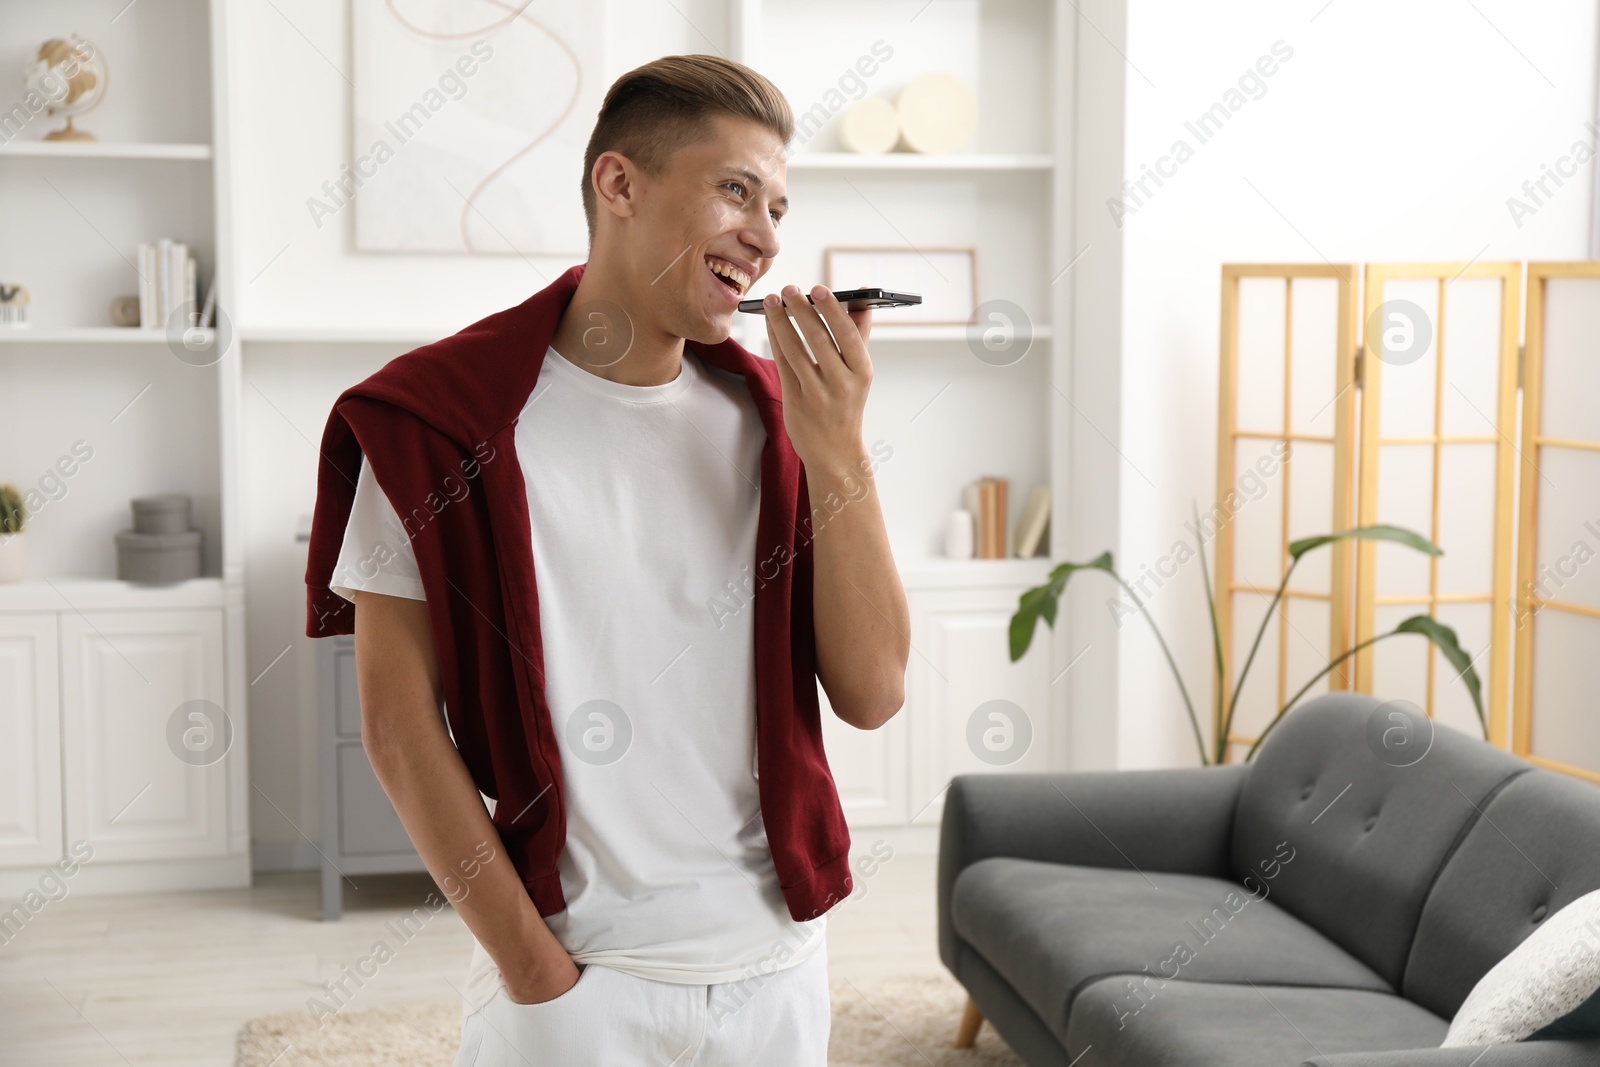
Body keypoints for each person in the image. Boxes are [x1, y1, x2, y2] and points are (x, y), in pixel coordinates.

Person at [301, 53, 909, 1065]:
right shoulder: (434, 426)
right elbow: (400, 728)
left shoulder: (779, 423)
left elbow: (874, 690)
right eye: (734, 191)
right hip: (574, 982)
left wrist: (839, 448)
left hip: (778, 970)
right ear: (619, 184)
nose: (765, 237)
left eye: (779, 206)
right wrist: (535, 973)